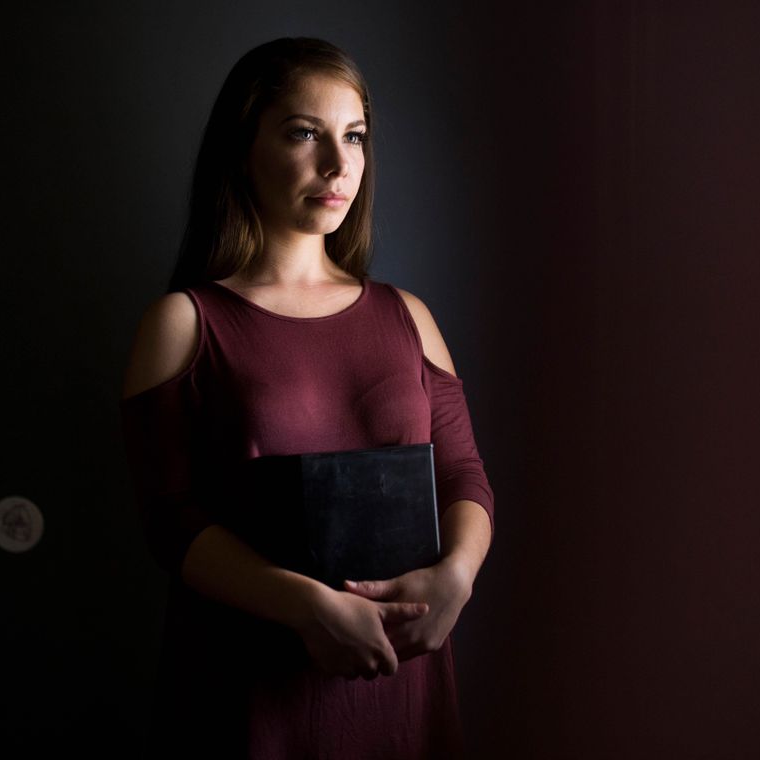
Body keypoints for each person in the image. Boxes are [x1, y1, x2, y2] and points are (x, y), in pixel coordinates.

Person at [119, 37, 494, 758]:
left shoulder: (406, 317)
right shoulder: (186, 325)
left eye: (353, 136)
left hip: (400, 684)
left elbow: (465, 476)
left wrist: (458, 577)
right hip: (250, 690)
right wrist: (304, 607)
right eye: (304, 133)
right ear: (243, 146)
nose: (338, 164)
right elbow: (170, 522)